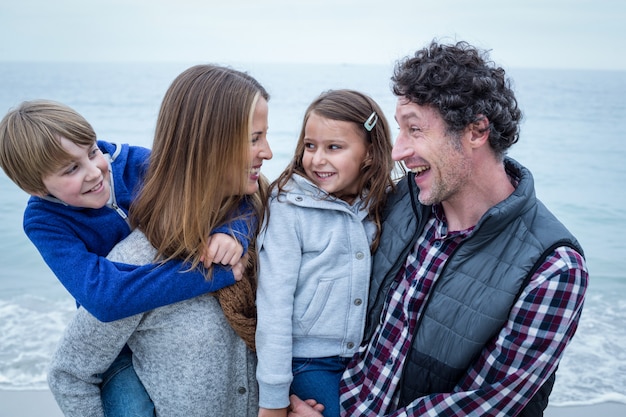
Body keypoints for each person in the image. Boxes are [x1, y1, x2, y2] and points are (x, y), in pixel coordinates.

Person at [288, 40, 588, 417]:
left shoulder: (554, 267)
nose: (397, 151)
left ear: (476, 131)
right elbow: (303, 221)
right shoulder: (402, 200)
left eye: (414, 130)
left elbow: (482, 407)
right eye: (399, 130)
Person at [45, 64, 273, 416]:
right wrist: (215, 273)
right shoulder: (135, 260)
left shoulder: (266, 218)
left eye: (265, 135)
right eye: (254, 139)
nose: (269, 152)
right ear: (208, 144)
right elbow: (70, 374)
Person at [0, 99, 252, 415]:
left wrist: (233, 233)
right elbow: (106, 299)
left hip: (159, 312)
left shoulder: (137, 163)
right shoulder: (43, 221)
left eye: (92, 152)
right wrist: (214, 273)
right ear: (36, 187)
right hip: (115, 344)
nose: (94, 172)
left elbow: (237, 195)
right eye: (72, 169)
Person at [256, 89, 402, 417]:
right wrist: (274, 399)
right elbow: (274, 307)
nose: (317, 159)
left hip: (366, 359)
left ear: (369, 152)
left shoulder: (380, 204)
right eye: (310, 146)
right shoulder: (288, 208)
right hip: (308, 361)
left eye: (333, 147)